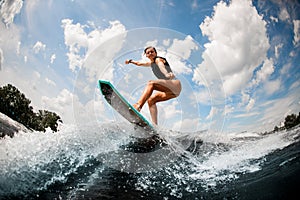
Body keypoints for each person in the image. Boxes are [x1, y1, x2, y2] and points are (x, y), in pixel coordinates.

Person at [125, 46, 181, 125]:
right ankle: (155, 126)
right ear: (146, 55)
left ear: (156, 53)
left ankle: (138, 106)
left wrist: (166, 74)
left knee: (151, 83)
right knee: (151, 100)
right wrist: (130, 61)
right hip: (172, 92)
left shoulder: (158, 59)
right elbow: (139, 63)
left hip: (174, 84)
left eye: (152, 52)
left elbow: (161, 66)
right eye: (148, 53)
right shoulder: (150, 63)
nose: (150, 53)